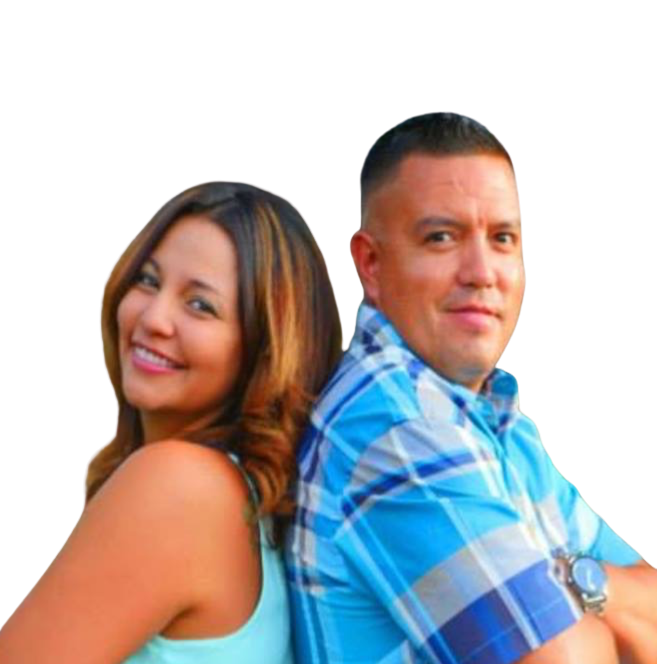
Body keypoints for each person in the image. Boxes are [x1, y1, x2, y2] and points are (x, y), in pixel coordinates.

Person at [286, 113, 656, 664]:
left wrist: (574, 580)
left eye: (503, 238)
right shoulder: (394, 425)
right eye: (441, 237)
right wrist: (597, 605)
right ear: (371, 264)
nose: (482, 272)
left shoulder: (498, 420)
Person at [0, 180, 343, 663]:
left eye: (201, 305)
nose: (154, 318)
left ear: (264, 351)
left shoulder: (179, 486)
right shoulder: (243, 499)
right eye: (148, 281)